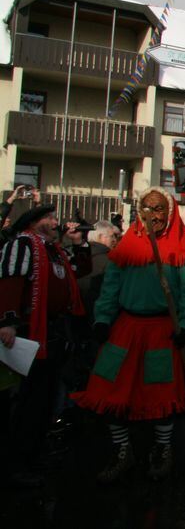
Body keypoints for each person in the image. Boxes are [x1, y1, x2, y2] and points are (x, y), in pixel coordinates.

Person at [72, 187, 185, 482]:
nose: (152, 215)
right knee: (109, 391)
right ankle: (122, 451)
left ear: (168, 213)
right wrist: (103, 319)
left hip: (162, 331)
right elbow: (110, 288)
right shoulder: (127, 247)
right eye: (147, 208)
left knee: (160, 395)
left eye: (158, 209)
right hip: (126, 329)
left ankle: (162, 449)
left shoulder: (184, 251)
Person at [0, 205, 91, 486]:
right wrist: (7, 321)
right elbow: (10, 281)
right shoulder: (22, 245)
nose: (56, 222)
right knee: (24, 401)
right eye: (50, 218)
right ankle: (14, 464)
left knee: (44, 398)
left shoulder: (55, 251)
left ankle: (33, 453)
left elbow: (80, 271)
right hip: (27, 333)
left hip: (52, 332)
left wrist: (80, 243)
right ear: (34, 223)